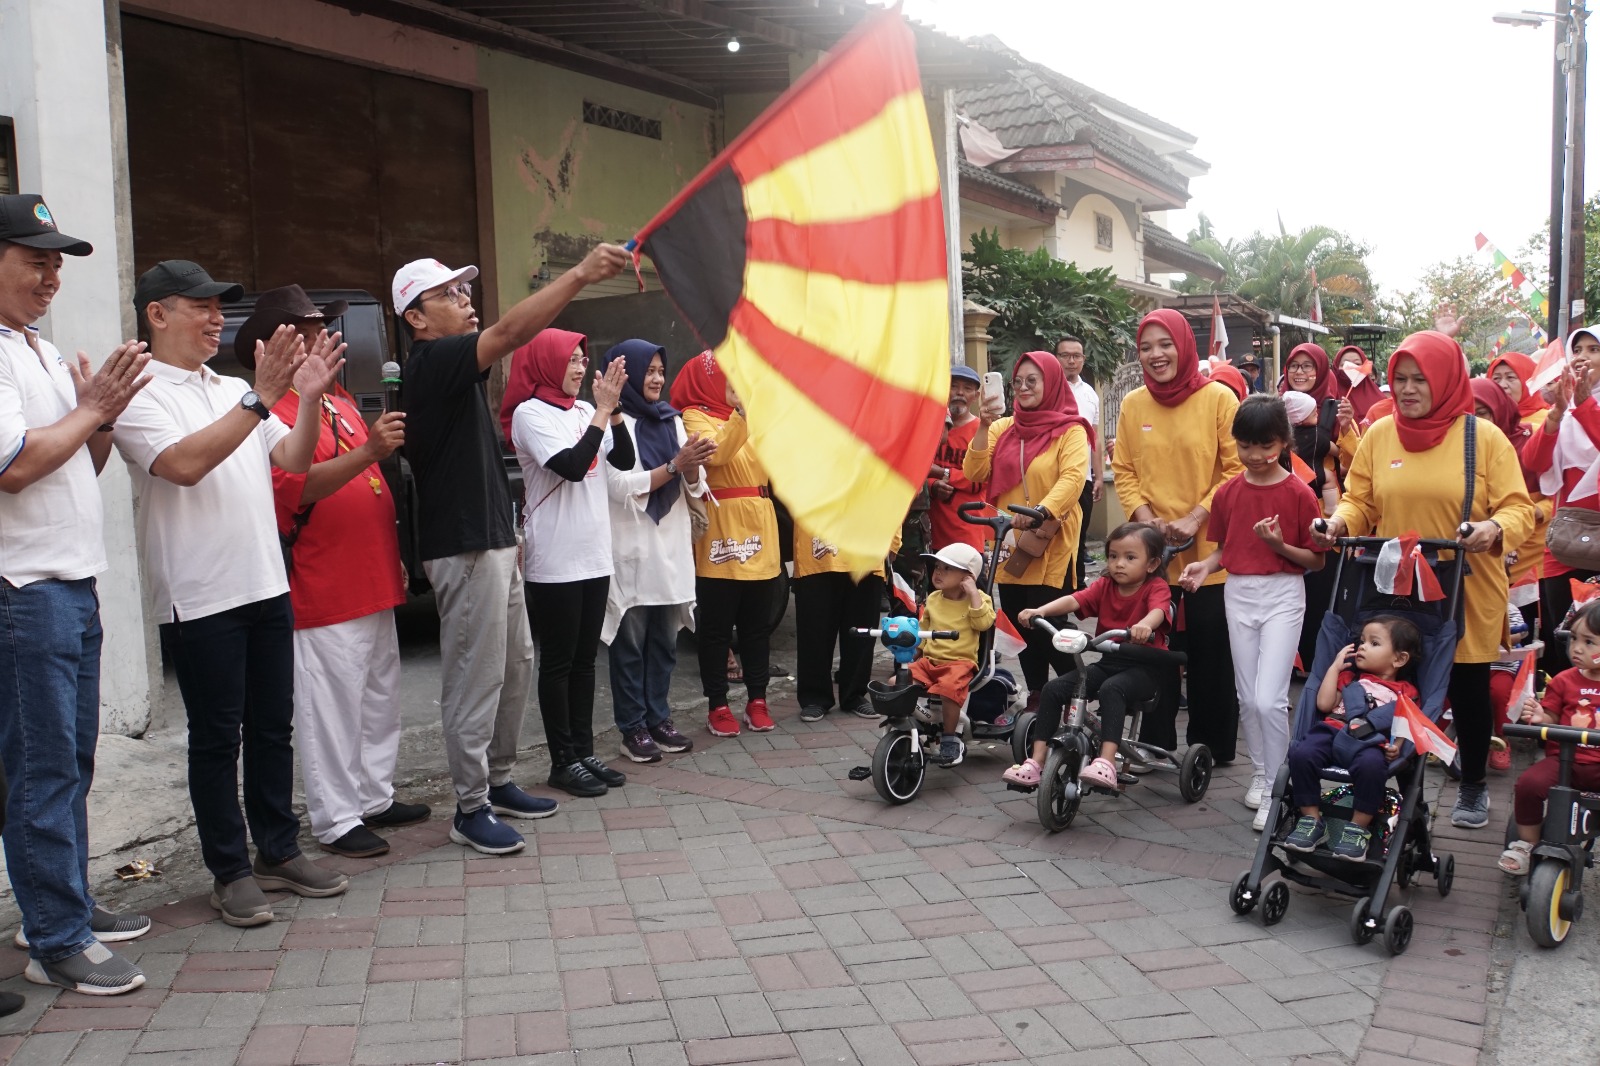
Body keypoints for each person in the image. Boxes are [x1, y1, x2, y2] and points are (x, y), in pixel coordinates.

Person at [115, 260, 350, 925]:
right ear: (157, 315)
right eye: (202, 307)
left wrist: (301, 398)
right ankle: (229, 869)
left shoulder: (229, 387)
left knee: (274, 727)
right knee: (218, 738)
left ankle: (278, 848)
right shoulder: (138, 391)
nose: (218, 319)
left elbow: (294, 461)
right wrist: (260, 396)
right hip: (200, 594)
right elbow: (184, 466)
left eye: (222, 308)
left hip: (263, 582)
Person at [400, 243, 627, 854]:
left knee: (514, 667)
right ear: (416, 318)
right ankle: (469, 806)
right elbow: (508, 332)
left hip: (497, 541)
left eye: (463, 290)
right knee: (475, 679)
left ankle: (498, 782)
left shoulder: (452, 369)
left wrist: (514, 534)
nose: (464, 301)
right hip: (464, 547)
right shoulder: (432, 363)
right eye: (447, 295)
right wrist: (579, 274)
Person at [0, 195, 153, 995]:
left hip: (68, 580)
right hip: (24, 588)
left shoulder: (33, 349)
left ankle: (63, 907)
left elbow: (69, 468)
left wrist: (99, 422)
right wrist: (91, 408)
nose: (51, 274)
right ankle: (55, 935)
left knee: (70, 761)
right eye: (35, 258)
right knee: (42, 768)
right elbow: (14, 467)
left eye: (57, 261)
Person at [233, 287, 432, 860]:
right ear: (276, 344)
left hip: (370, 576)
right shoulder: (268, 411)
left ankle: (373, 795)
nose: (324, 336)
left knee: (377, 698)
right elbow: (296, 490)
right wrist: (370, 452)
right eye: (309, 329)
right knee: (331, 710)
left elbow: (363, 484)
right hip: (322, 584)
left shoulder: (336, 399)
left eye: (322, 327)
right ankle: (336, 817)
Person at [1315, 330, 1536, 829]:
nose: (1408, 389)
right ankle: (1397, 788)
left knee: (1467, 686)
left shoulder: (1484, 438)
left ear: (1446, 380)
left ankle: (1473, 783)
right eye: (1400, 379)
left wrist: (1493, 528)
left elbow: (1518, 508)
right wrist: (1337, 523)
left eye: (1420, 379)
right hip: (1400, 585)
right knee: (1402, 688)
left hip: (1468, 583)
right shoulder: (1379, 434)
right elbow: (1360, 499)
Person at [1180, 397, 1325, 830]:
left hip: (1284, 593)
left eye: (1265, 445)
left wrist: (1279, 545)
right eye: (1245, 445)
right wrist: (1203, 566)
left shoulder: (1300, 492)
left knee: (1269, 698)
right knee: (1247, 696)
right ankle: (1262, 777)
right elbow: (1225, 550)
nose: (1255, 456)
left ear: (1284, 442)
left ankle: (1281, 787)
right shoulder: (1228, 492)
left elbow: (1315, 561)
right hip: (1238, 592)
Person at [506, 331, 636, 797]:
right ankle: (562, 761)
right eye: (572, 360)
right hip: (556, 558)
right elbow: (572, 465)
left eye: (584, 360)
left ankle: (583, 752)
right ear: (546, 363)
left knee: (585, 661)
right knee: (558, 662)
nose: (581, 368)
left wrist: (613, 409)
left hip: (594, 553)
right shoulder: (529, 414)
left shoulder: (585, 410)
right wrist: (602, 411)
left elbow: (623, 456)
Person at [1112, 309, 1244, 762]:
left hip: (1208, 552)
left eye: (1164, 344)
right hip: (1151, 556)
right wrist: (1145, 519)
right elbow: (1124, 469)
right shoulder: (1133, 405)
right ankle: (1153, 742)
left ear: (1184, 345)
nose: (1155, 355)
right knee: (1151, 647)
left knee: (1210, 650)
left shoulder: (1219, 399)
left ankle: (1212, 746)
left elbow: (1238, 466)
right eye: (1146, 347)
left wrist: (1196, 516)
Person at [598, 339, 712, 763]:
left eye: (661, 370)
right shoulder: (613, 422)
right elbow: (619, 485)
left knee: (664, 642)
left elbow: (695, 487)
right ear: (626, 376)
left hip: (669, 547)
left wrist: (696, 462)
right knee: (629, 644)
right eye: (649, 371)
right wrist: (674, 466)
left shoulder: (673, 420)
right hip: (631, 547)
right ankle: (632, 728)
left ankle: (658, 718)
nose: (658, 378)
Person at [963, 352, 1090, 706]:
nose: (1023, 388)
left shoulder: (1071, 430)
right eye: (1017, 382)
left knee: (1047, 622)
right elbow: (974, 472)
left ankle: (1073, 690)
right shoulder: (1004, 428)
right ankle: (1037, 693)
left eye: (1032, 381)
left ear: (1051, 383)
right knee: (1019, 624)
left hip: (1051, 535)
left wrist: (1040, 511)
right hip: (1010, 538)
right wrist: (984, 426)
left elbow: (1072, 478)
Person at [1005, 523, 1171, 788]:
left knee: (1111, 690)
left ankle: (1106, 763)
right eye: (1113, 556)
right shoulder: (1105, 585)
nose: (1119, 564)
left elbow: (1158, 611)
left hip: (1145, 666)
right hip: (1110, 661)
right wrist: (1041, 611)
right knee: (1053, 688)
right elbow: (1076, 600)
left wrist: (1145, 626)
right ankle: (1036, 762)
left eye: (1130, 558)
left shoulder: (1156, 587)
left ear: (1151, 564)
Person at [671, 351, 783, 737]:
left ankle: (757, 699)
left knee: (757, 626)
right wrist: (742, 414)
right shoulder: (693, 416)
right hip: (720, 528)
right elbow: (715, 455)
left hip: (761, 524)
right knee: (717, 628)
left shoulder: (755, 416)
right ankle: (717, 704)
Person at [1283, 616, 1423, 861]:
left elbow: (1407, 722)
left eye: (1374, 643)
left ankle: (1357, 829)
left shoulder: (1405, 692)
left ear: (1399, 659)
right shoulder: (1350, 680)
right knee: (1301, 753)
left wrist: (1398, 746)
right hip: (1332, 731)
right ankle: (1311, 820)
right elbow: (1325, 704)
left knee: (1373, 768)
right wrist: (1334, 668)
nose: (1362, 646)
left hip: (1370, 743)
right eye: (1361, 641)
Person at [1522, 328, 1600, 682]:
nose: (1583, 356)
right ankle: (1564, 724)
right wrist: (1556, 414)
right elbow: (1534, 463)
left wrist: (1585, 405)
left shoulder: (1584, 408)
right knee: (1564, 637)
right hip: (1565, 541)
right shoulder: (1563, 412)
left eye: (1594, 349)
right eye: (1577, 350)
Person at [1499, 599, 1600, 873]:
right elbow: (1552, 718)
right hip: (1565, 762)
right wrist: (1540, 717)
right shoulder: (1565, 680)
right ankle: (1527, 845)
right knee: (1529, 784)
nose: (1577, 648)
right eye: (1574, 638)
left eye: (1589, 642)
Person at [907, 543, 996, 766]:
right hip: (930, 661)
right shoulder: (934, 599)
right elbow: (923, 632)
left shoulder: (980, 599)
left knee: (948, 689)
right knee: (896, 682)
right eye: (937, 566)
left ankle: (950, 738)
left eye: (948, 568)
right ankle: (907, 727)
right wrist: (912, 654)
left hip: (959, 664)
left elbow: (984, 623)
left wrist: (974, 593)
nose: (938, 572)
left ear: (968, 577)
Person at [794, 523, 889, 723]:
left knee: (862, 631)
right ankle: (814, 697)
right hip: (817, 550)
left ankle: (855, 695)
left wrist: (893, 542)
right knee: (814, 628)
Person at [1055, 336, 1102, 589]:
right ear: (1057, 358)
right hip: (1052, 478)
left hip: (1082, 478)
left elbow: (1093, 438)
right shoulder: (1046, 389)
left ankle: (1076, 591)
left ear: (1083, 359)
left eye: (1077, 356)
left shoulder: (1090, 394)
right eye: (1065, 355)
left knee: (1079, 536)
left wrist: (1097, 476)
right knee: (1053, 536)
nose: (1071, 361)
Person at [926, 365, 989, 553]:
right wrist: (932, 485)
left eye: (967, 388)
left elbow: (981, 479)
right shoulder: (928, 426)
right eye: (954, 386)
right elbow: (914, 469)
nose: (959, 393)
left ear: (976, 396)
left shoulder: (983, 430)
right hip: (930, 530)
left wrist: (941, 472)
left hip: (967, 529)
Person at [1486, 351, 1550, 432]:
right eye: (1496, 378)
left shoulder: (1551, 420)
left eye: (1510, 377)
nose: (1502, 385)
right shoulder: (1485, 419)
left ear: (1527, 381)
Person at [1335, 345, 1385, 423]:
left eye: (1357, 364)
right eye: (1345, 364)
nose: (1351, 368)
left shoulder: (1379, 401)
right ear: (1336, 367)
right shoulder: (1329, 393)